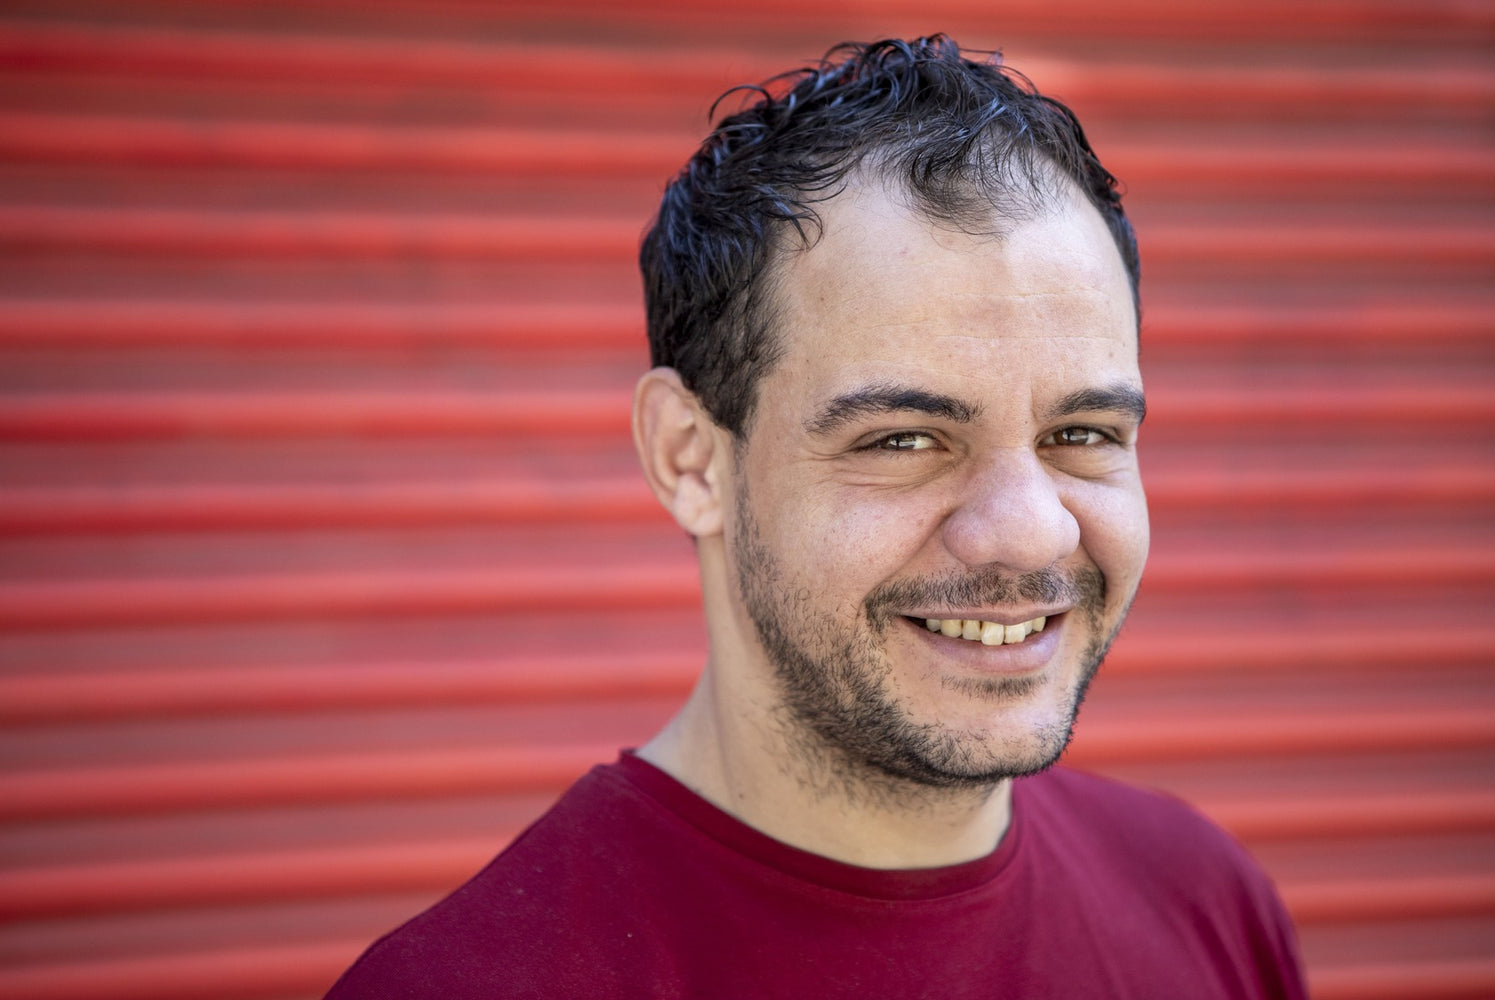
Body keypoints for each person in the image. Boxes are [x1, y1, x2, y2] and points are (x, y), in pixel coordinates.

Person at [326, 36, 1307, 999]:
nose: (1031, 531)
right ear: (690, 458)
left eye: (1083, 432)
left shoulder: (1207, 901)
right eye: (903, 439)